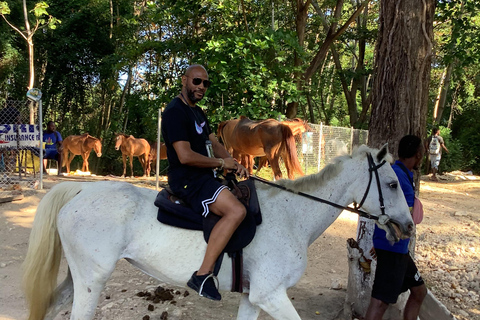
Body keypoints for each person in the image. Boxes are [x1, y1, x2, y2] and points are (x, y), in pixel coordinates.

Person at [161, 64, 249, 301]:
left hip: (204, 175)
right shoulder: (174, 112)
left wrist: (231, 160)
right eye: (197, 81)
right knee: (236, 210)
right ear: (184, 80)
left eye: (205, 83)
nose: (201, 87)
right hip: (187, 179)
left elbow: (213, 142)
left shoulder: (198, 112)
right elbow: (185, 156)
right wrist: (221, 164)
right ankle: (202, 275)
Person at [365, 135, 427, 320]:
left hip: (399, 248)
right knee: (380, 302)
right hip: (393, 247)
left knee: (419, 292)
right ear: (417, 154)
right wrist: (381, 243)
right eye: (422, 153)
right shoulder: (396, 175)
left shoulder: (402, 174)